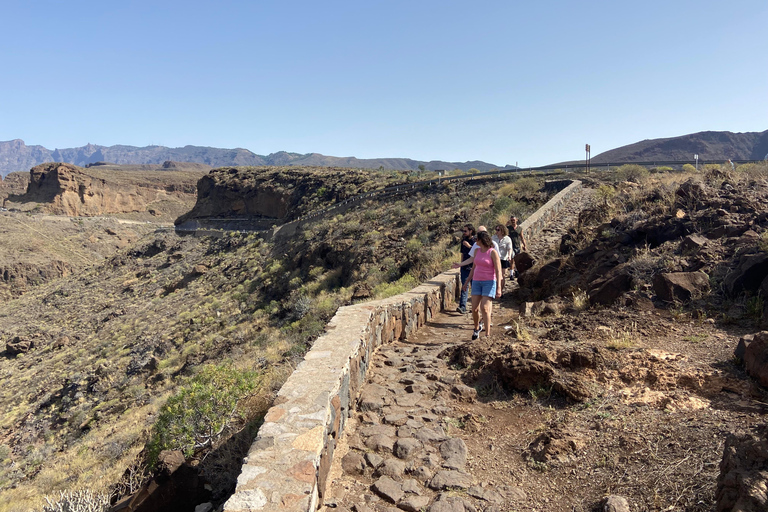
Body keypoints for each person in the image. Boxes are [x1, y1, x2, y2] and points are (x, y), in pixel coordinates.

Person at [462, 230, 502, 340]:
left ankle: (487, 334)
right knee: (474, 309)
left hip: (489, 282)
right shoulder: (477, 252)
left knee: (484, 308)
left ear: (482, 240)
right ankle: (476, 328)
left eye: (477, 239)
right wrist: (466, 282)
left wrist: (499, 287)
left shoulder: (492, 252)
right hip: (476, 282)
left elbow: (498, 271)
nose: (475, 241)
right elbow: (473, 268)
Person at [455, 224, 475, 314]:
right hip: (465, 267)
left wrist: (469, 246)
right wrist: (460, 264)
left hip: (474, 267)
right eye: (463, 231)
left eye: (465, 231)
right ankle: (462, 306)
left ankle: (475, 306)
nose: (464, 232)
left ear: (471, 231)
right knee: (464, 286)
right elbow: (462, 254)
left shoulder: (476, 241)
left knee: (475, 288)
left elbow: (477, 253)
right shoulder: (463, 240)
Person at [492, 224, 513, 289]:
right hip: (495, 258)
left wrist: (509, 256)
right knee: (495, 274)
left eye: (498, 230)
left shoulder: (507, 239)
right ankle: (495, 289)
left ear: (502, 231)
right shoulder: (493, 238)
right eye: (496, 229)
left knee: (502, 275)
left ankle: (501, 289)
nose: (496, 231)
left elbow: (509, 248)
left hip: (503, 258)